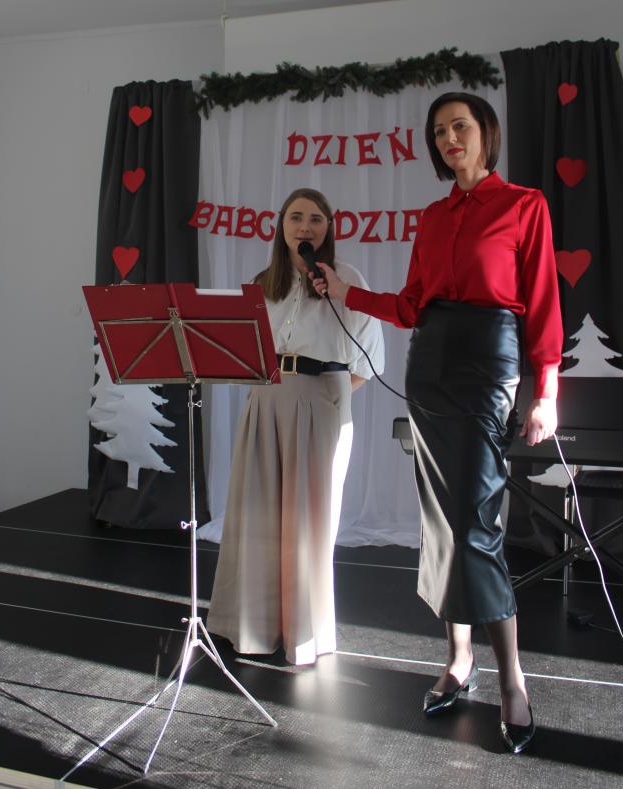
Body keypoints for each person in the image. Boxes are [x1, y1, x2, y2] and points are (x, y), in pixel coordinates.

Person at [310, 93, 562, 753]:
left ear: (485, 133)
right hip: (430, 367)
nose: (451, 138)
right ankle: (458, 659)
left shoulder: (525, 205)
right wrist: (346, 293)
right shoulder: (432, 215)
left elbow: (542, 302)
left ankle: (513, 680)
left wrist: (546, 391)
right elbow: (412, 305)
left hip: (490, 361)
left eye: (461, 126)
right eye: (440, 131)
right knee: (441, 521)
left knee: (475, 521)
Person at [206, 187, 385, 666]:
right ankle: (253, 624)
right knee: (258, 513)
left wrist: (326, 398)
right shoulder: (261, 282)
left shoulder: (346, 278)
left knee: (309, 521)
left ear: (329, 227)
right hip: (265, 399)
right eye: (296, 217)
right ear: (281, 225)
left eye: (316, 219)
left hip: (320, 399)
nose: (305, 226)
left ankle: (304, 632)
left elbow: (369, 358)